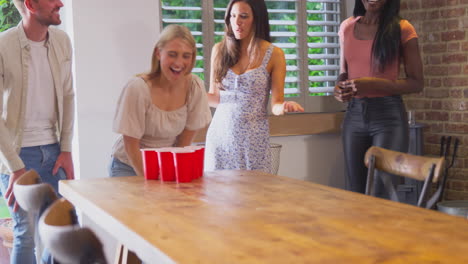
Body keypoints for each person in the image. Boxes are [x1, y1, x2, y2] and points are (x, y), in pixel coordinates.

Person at [0, 0, 75, 263]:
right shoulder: (3, 45)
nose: (61, 3)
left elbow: (68, 95)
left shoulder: (62, 41)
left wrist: (66, 148)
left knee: (63, 229)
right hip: (19, 155)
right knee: (26, 234)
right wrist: (15, 167)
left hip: (54, 152)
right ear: (30, 4)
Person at [334, 0, 423, 195]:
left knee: (381, 192)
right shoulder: (347, 26)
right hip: (354, 116)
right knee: (354, 192)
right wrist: (339, 88)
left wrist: (372, 83)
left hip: (388, 118)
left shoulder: (402, 28)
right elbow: (343, 73)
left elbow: (417, 82)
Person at [204, 0, 304, 173]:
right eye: (232, 16)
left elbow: (276, 104)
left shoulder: (274, 54)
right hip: (220, 138)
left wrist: (285, 106)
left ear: (257, 19)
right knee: (217, 195)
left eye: (243, 16)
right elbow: (215, 98)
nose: (236, 22)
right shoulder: (219, 50)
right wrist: (186, 92)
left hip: (253, 141)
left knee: (254, 195)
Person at [109, 24, 212, 177]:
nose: (179, 63)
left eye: (186, 56)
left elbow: (183, 143)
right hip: (129, 166)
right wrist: (150, 181)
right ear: (158, 53)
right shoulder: (138, 88)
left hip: (165, 166)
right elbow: (131, 145)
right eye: (172, 54)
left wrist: (171, 173)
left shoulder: (194, 87)